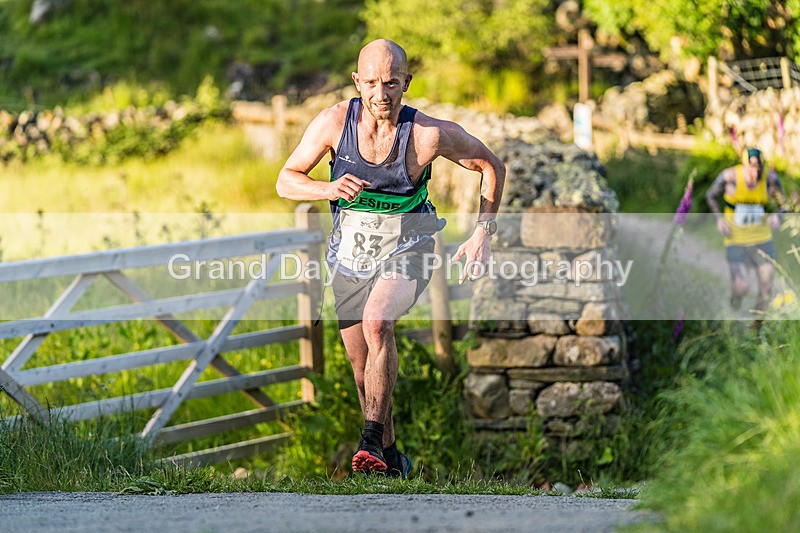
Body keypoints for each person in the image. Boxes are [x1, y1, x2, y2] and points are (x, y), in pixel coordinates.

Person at [276, 39, 506, 477]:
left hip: (410, 247)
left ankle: (366, 444)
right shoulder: (333, 123)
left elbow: (492, 166)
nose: (381, 94)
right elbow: (286, 180)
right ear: (357, 81)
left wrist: (483, 231)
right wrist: (327, 188)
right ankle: (389, 457)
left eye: (392, 83)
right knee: (363, 370)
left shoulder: (427, 134)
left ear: (406, 84)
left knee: (378, 321)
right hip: (350, 257)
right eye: (373, 84)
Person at [706, 147, 787, 312]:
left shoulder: (770, 179)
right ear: (743, 166)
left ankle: (756, 329)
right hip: (735, 239)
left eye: (758, 168)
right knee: (742, 287)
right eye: (751, 168)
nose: (755, 174)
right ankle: (735, 300)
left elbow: (783, 205)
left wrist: (777, 217)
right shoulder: (729, 177)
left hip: (762, 239)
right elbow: (710, 195)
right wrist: (719, 219)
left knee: (767, 288)